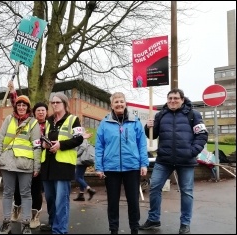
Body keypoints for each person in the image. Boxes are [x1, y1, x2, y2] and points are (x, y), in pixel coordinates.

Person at [139, 88, 208, 234]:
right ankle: (153, 219)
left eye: (176, 98)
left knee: (187, 192)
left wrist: (192, 152)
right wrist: (148, 127)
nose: (172, 101)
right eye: (170, 98)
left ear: (182, 100)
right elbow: (152, 136)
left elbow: (202, 135)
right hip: (164, 159)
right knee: (154, 187)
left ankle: (185, 223)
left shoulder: (193, 114)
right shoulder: (161, 115)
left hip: (186, 160)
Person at [95, 92, 149, 234]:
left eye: (121, 101)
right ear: (111, 105)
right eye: (116, 102)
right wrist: (99, 167)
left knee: (133, 201)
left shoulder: (135, 122)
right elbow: (99, 146)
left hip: (132, 167)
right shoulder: (104, 123)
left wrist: (144, 164)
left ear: (125, 103)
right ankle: (113, 229)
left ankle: (134, 229)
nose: (119, 104)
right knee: (112, 202)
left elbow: (142, 144)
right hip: (111, 168)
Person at [0, 94, 42, 234]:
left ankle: (26, 223)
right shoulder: (8, 119)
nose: (21, 107)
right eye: (19, 105)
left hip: (25, 164)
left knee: (25, 194)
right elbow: (0, 141)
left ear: (28, 108)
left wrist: (36, 166)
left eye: (24, 105)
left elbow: (37, 146)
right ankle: (6, 222)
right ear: (16, 106)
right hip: (7, 163)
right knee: (8, 193)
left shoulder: (33, 123)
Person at [39, 92, 84, 234]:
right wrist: (44, 145)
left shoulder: (73, 119)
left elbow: (79, 139)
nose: (54, 105)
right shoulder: (48, 120)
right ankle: (53, 223)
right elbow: (42, 139)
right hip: (48, 165)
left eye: (57, 102)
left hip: (63, 166)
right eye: (52, 103)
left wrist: (61, 145)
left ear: (64, 103)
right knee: (50, 199)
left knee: (61, 201)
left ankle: (59, 230)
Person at [7, 81, 48, 229]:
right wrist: (12, 92)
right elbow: (17, 105)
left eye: (43, 110)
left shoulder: (49, 125)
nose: (41, 113)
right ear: (33, 112)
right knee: (18, 187)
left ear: (46, 112)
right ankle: (17, 207)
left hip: (40, 162)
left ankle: (34, 215)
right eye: (38, 111)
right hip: (24, 160)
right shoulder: (28, 121)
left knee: (36, 190)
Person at [73, 131, 97, 201]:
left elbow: (83, 147)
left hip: (81, 161)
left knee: (77, 177)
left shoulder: (82, 138)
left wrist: (75, 154)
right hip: (83, 160)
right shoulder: (82, 138)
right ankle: (81, 194)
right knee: (81, 177)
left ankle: (89, 189)